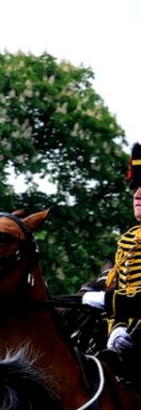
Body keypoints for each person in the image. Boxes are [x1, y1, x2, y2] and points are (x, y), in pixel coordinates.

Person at [84, 143, 141, 382]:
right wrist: (117, 326)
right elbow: (121, 287)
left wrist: (106, 301)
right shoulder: (128, 239)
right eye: (136, 186)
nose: (138, 194)